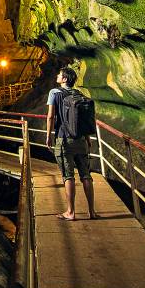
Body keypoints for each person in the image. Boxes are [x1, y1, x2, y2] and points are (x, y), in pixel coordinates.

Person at [46, 65, 98, 220]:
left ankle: (71, 212)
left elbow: (50, 116)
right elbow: (83, 119)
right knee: (86, 175)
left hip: (64, 139)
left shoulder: (54, 93)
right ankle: (92, 212)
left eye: (59, 75)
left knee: (68, 176)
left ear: (65, 79)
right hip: (81, 139)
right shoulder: (79, 94)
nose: (57, 76)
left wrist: (48, 136)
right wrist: (87, 138)